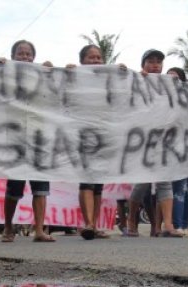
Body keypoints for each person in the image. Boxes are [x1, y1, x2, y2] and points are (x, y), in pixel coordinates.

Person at [0, 40, 56, 243]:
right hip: (15, 141)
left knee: (40, 188)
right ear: (13, 56)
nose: (24, 57)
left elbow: (57, 95)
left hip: (40, 140)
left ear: (34, 57)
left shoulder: (43, 77)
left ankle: (39, 230)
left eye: (28, 54)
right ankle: (8, 227)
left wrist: (53, 72)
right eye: (20, 54)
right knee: (14, 187)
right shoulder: (5, 76)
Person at [124, 49, 182, 238]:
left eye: (159, 61)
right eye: (151, 61)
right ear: (143, 65)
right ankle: (131, 219)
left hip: (164, 140)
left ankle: (168, 224)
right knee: (142, 184)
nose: (155, 65)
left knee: (165, 182)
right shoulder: (136, 82)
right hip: (142, 140)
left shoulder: (170, 86)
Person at [76, 45, 109, 240]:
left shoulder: (109, 80)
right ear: (82, 61)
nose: (96, 61)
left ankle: (93, 225)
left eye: (99, 58)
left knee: (98, 183)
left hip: (105, 135)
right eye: (91, 57)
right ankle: (87, 223)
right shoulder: (75, 77)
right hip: (82, 134)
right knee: (87, 180)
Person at [166, 67, 188, 236]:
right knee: (177, 189)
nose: (172, 81)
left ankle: (184, 225)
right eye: (168, 78)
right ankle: (177, 225)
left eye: (176, 78)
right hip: (170, 150)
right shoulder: (162, 99)